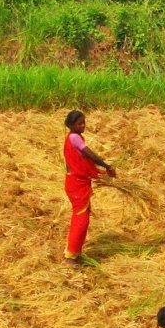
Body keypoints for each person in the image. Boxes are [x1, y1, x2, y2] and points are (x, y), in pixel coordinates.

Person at [63, 110, 116, 267]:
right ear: (72, 125)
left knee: (82, 217)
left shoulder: (74, 138)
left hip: (78, 182)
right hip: (76, 184)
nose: (83, 125)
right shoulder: (74, 137)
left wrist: (99, 172)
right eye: (79, 123)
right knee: (81, 219)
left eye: (84, 122)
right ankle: (70, 256)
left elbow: (84, 161)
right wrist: (107, 166)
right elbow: (91, 155)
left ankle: (74, 252)